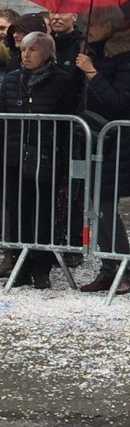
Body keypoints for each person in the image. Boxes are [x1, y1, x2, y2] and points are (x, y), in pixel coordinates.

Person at [76, 7, 130, 296]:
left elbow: (119, 101)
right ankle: (109, 266)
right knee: (95, 206)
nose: (87, 27)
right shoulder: (95, 53)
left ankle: (124, 268)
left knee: (105, 205)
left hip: (117, 142)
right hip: (93, 140)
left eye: (93, 22)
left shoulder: (129, 58)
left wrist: (92, 74)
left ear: (109, 25)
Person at [0, 32, 75, 288]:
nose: (26, 55)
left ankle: (41, 266)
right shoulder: (12, 80)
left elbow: (68, 121)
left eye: (32, 50)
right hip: (14, 155)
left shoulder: (62, 81)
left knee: (44, 211)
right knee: (19, 210)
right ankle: (20, 264)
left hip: (45, 154)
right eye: (23, 50)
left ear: (46, 54)